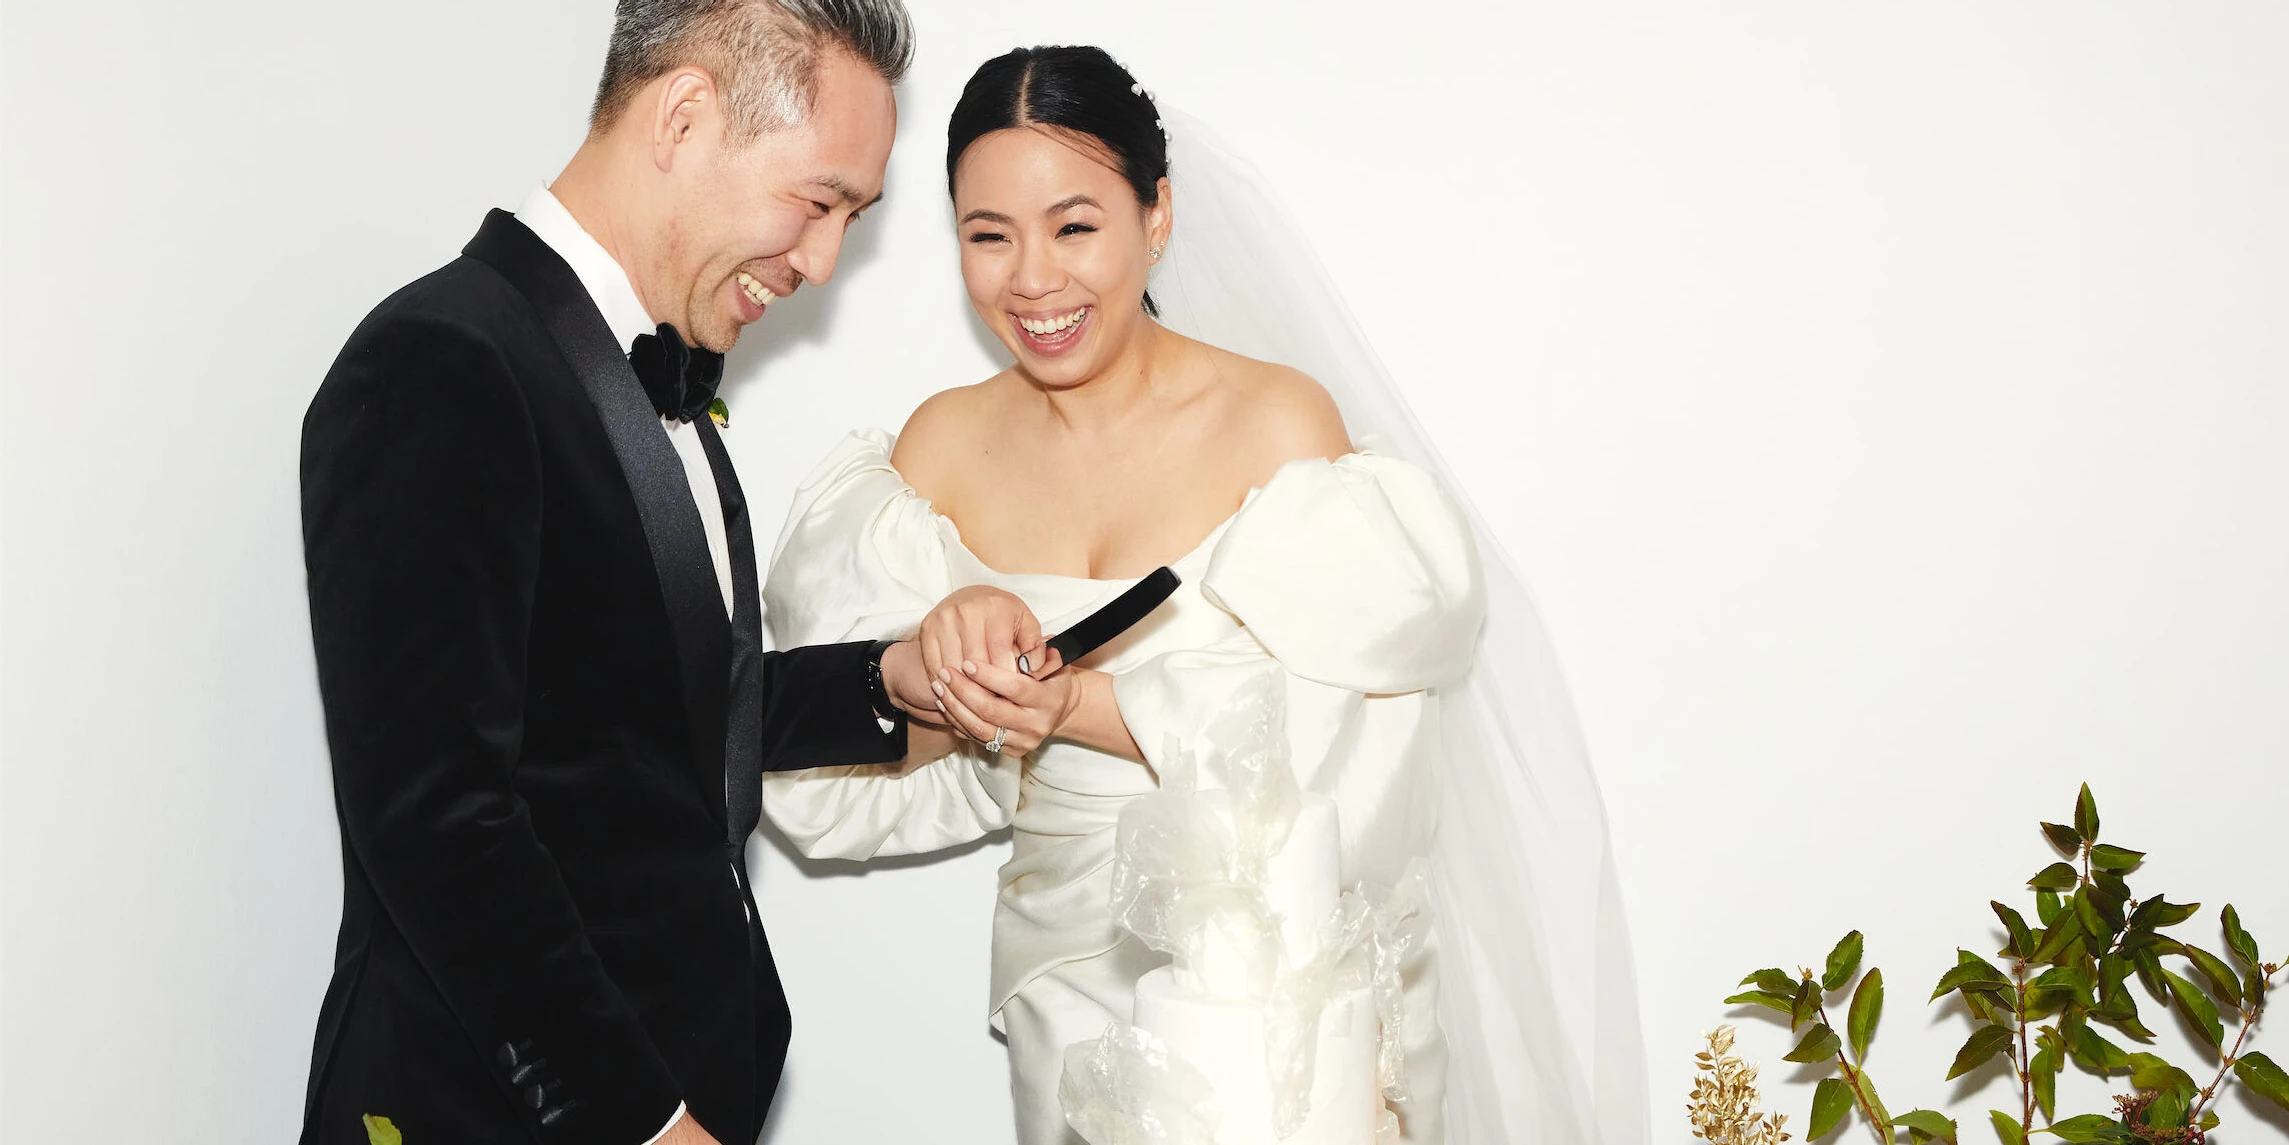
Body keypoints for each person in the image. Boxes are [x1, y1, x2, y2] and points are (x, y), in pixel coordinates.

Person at [760, 46, 1649, 1145]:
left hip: (1278, 974)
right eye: (988, 236)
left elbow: (1355, 748)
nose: (1033, 279)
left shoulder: (1279, 429)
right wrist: (939, 672)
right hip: (1067, 978)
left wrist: (1084, 708)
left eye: (1074, 226)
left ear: (1158, 215)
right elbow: (847, 762)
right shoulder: (937, 451)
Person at [294, 4, 1038, 1143]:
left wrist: (890, 681)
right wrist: (641, 1120)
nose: (825, 261)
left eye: (852, 216)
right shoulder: (442, 361)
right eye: (820, 200)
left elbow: (642, 720)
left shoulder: (656, 375)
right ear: (684, 116)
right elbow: (438, 821)